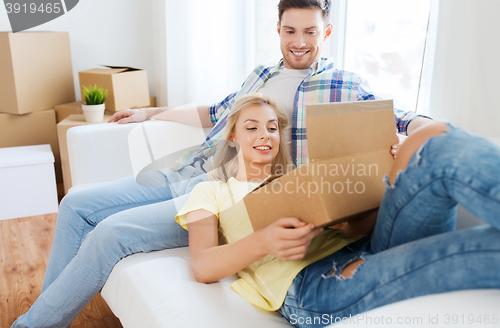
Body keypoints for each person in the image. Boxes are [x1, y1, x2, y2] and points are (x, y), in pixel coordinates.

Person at [12, 0, 432, 327]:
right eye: (289, 30)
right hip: (194, 171)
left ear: (327, 31)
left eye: (309, 31)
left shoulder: (345, 84)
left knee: (111, 233)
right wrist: (150, 113)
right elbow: (216, 112)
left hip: (237, 193)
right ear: (279, 29)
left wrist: (419, 126)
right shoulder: (261, 74)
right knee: (75, 204)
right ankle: (51, 315)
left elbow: (393, 117)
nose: (298, 41)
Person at [177, 93, 500, 328]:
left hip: (365, 247)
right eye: (252, 128)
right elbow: (203, 265)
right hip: (313, 284)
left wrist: (391, 168)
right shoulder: (210, 190)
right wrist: (263, 242)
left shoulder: (301, 178)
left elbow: (361, 228)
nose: (265, 135)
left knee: (430, 136)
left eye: (273, 128)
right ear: (232, 136)